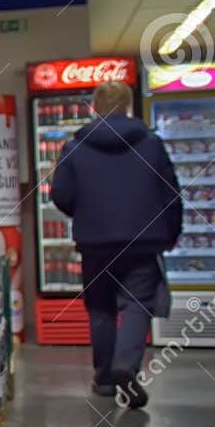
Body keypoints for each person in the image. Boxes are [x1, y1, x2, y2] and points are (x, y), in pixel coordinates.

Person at [50, 80, 182, 408]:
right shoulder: (152, 144)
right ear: (127, 106)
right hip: (143, 240)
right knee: (138, 304)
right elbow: (172, 195)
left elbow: (61, 196)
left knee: (101, 310)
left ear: (95, 107)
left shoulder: (75, 147)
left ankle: (105, 378)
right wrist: (170, 234)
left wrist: (85, 214)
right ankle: (126, 366)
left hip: (95, 243)